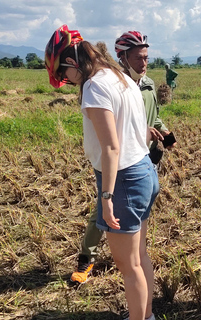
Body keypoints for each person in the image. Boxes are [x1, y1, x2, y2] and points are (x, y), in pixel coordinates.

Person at [45, 25, 159, 320]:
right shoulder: (118, 75)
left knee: (128, 265)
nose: (67, 82)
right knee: (139, 257)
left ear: (71, 62)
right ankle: (146, 315)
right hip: (144, 171)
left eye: (63, 75)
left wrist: (106, 197)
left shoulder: (94, 86)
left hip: (123, 180)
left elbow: (110, 148)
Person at [71, 31, 175, 287]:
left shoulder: (148, 86)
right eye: (138, 58)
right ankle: (88, 257)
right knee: (103, 210)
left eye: (146, 58)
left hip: (143, 156)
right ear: (123, 58)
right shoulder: (113, 83)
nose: (144, 63)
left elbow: (154, 116)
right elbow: (112, 135)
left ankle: (135, 263)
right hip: (120, 160)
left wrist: (164, 133)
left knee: (132, 222)